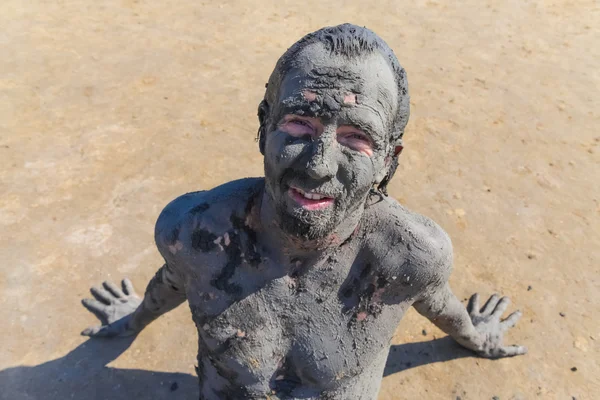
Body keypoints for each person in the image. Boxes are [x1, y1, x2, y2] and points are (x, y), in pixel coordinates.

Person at [81, 23, 526, 400]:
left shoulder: (405, 257)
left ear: (389, 160)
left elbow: (437, 302)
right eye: (299, 123)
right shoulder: (196, 230)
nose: (317, 166)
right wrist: (134, 316)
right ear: (264, 127)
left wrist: (476, 337)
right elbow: (178, 277)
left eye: (356, 137)